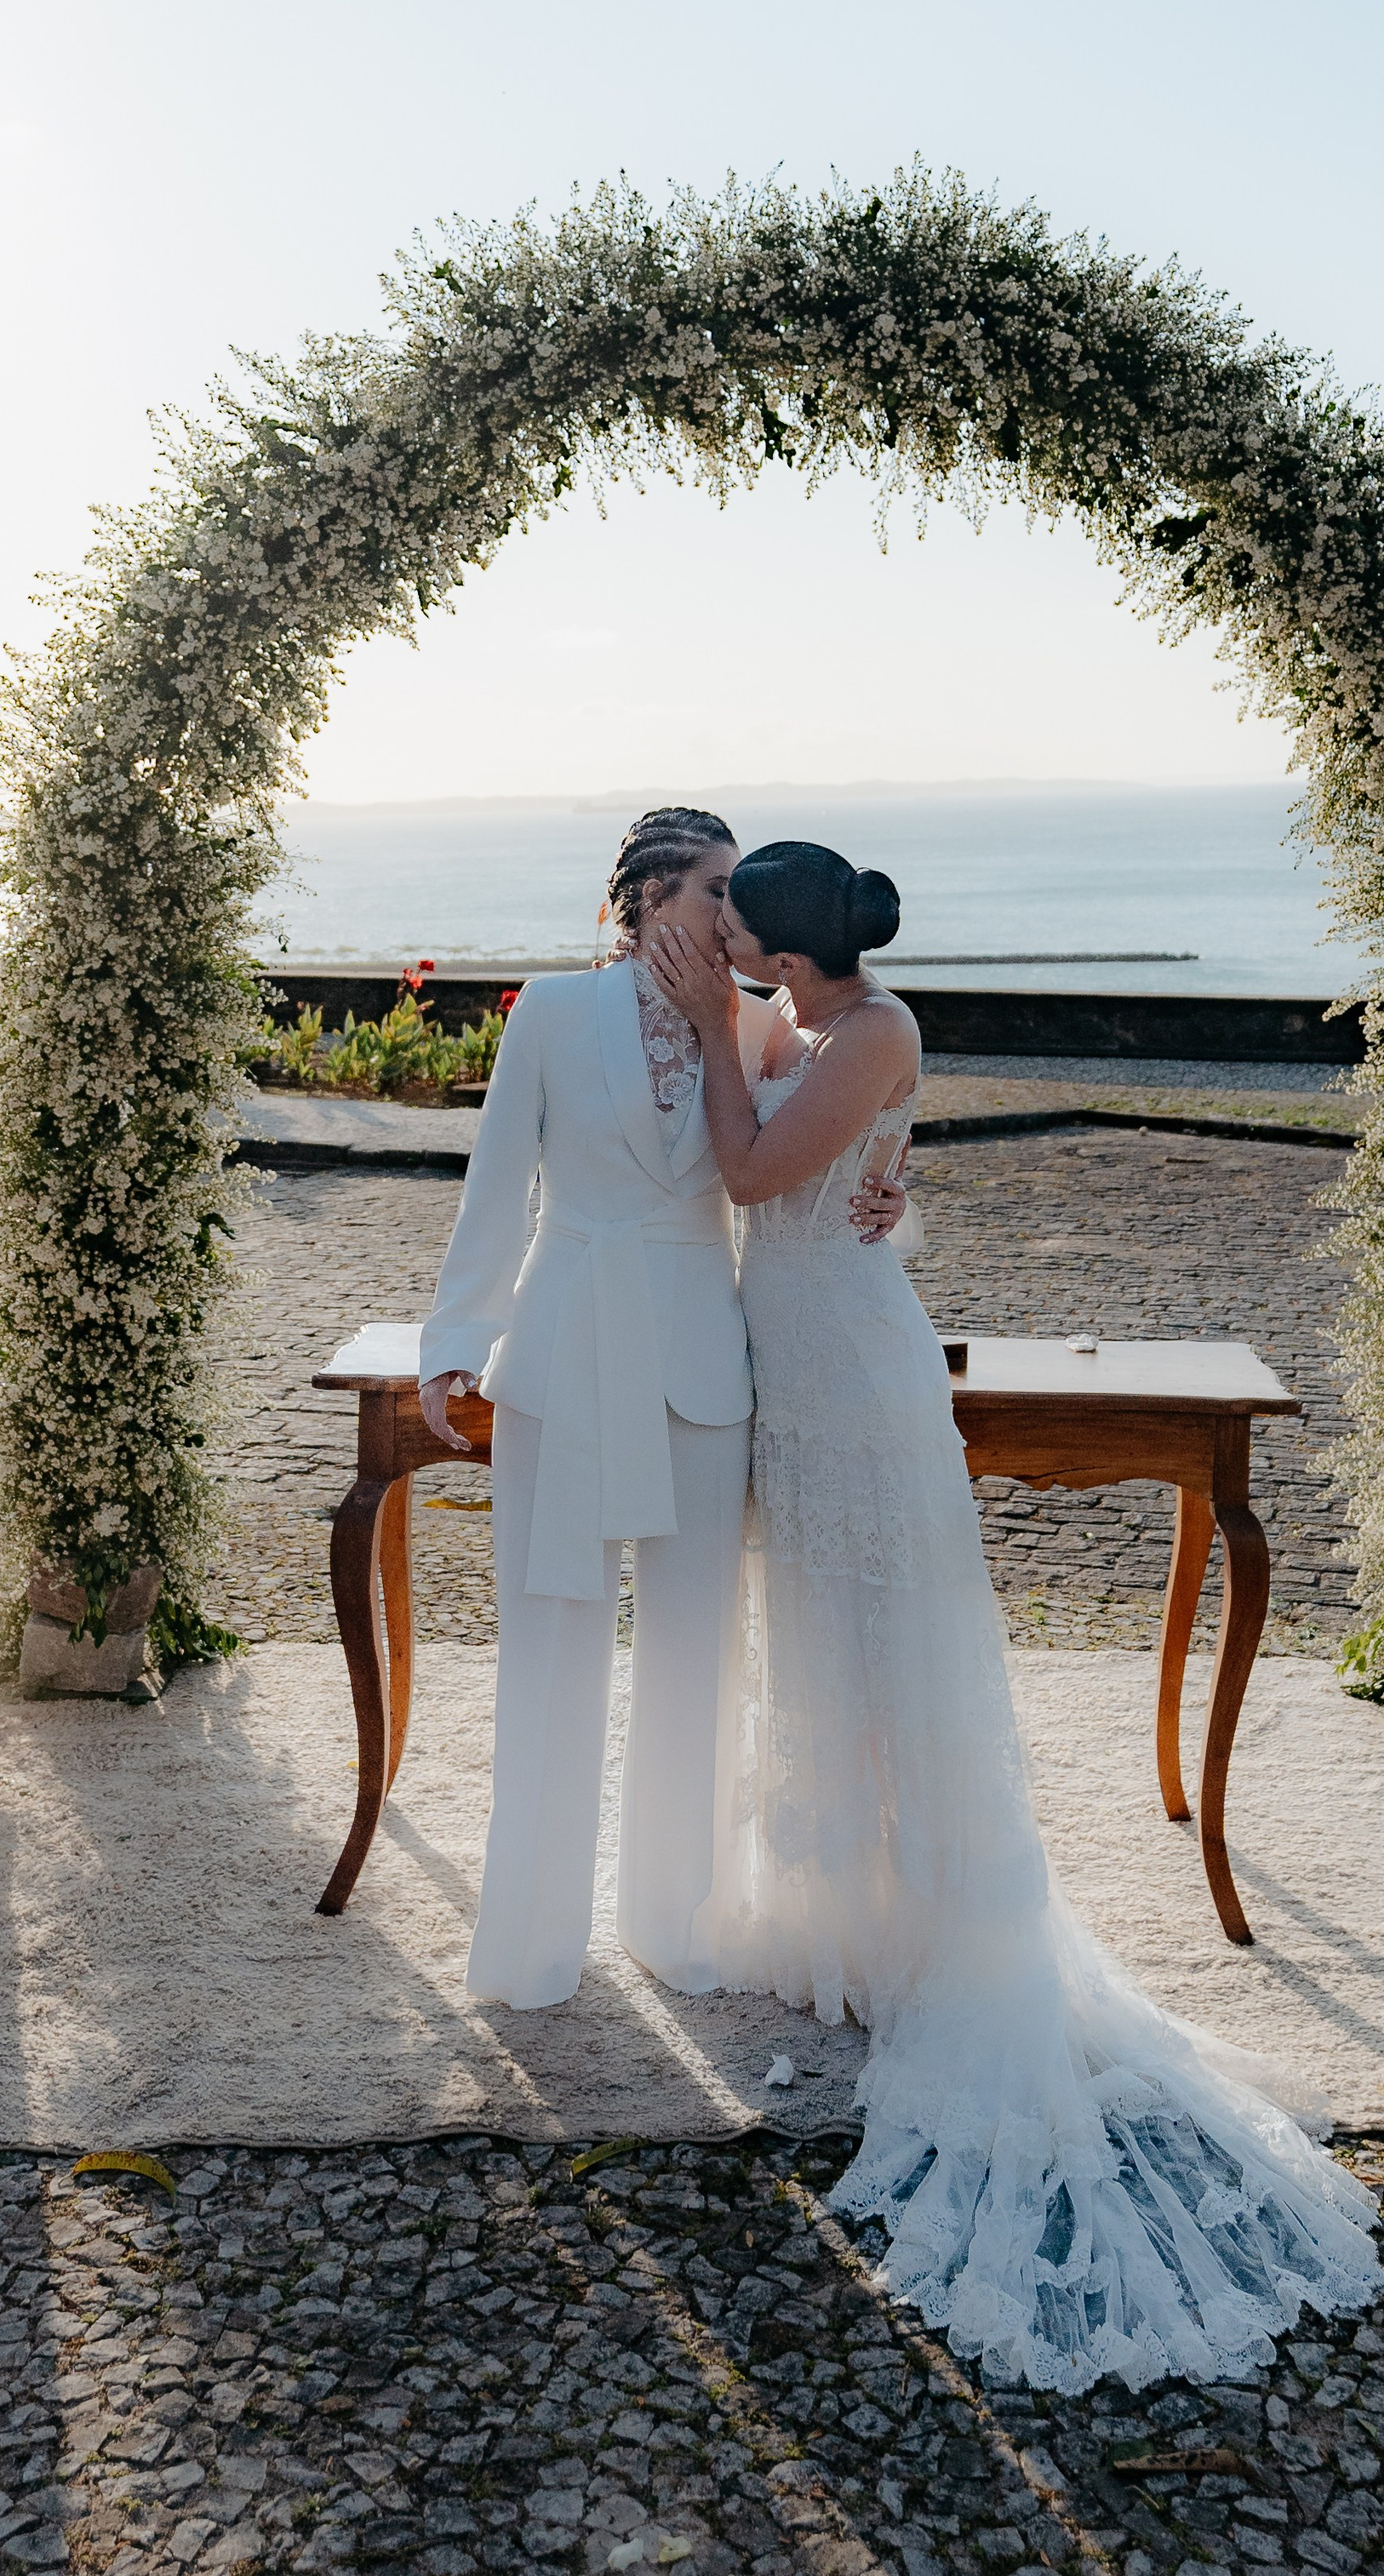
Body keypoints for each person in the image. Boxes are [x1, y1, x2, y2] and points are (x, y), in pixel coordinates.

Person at [649, 843, 1382, 2394]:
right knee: (831, 1655)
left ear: (786, 945)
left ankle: (948, 1919)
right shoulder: (811, 1024)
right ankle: (863, 1910)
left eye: (740, 924)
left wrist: (726, 1042)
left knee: (900, 1650)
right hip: (801, 1362)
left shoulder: (882, 1031)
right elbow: (823, 1163)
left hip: (855, 1375)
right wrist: (741, 1045)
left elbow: (758, 1174)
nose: (724, 939)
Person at [414, 809, 903, 2010]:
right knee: (551, 1649)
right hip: (564, 1348)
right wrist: (456, 1341)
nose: (738, 920)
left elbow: (851, 1158)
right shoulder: (549, 1011)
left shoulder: (764, 1026)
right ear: (647, 897)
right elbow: (495, 1185)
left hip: (701, 1365)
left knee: (694, 1655)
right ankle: (530, 1943)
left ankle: (673, 1926)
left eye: (742, 898)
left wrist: (901, 1201)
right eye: (717, 893)